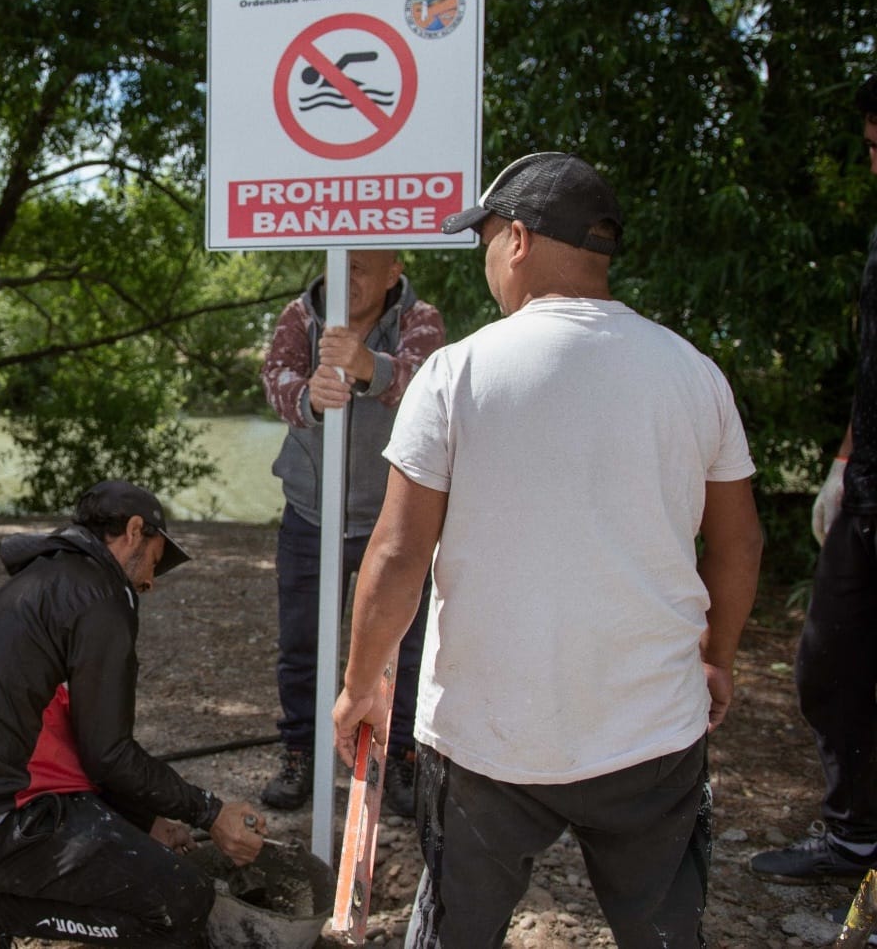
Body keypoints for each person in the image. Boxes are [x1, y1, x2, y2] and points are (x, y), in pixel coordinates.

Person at [332, 152, 763, 948]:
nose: (489, 257)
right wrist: (717, 657)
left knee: (456, 932)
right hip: (651, 731)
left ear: (520, 239)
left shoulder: (457, 375)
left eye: (488, 237)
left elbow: (395, 555)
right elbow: (738, 543)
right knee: (665, 932)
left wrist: (362, 685)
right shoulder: (694, 374)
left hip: (487, 738)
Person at [0, 479, 267, 949]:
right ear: (135, 531)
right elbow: (108, 754)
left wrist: (146, 819)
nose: (150, 581)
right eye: (154, 560)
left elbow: (86, 738)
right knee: (183, 901)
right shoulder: (102, 598)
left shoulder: (53, 576)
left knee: (144, 862)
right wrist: (211, 811)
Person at [259, 249, 445, 816]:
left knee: (404, 645)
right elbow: (274, 379)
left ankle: (401, 758)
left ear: (394, 272)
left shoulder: (421, 319)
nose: (349, 276)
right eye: (343, 262)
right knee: (301, 644)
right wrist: (306, 397)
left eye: (364, 265)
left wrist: (368, 366)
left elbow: (426, 385)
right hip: (310, 513)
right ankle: (301, 754)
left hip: (393, 516)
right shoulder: (301, 314)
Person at [750, 74, 877, 889]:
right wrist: (839, 464)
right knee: (830, 660)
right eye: (870, 148)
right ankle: (855, 833)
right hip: (867, 482)